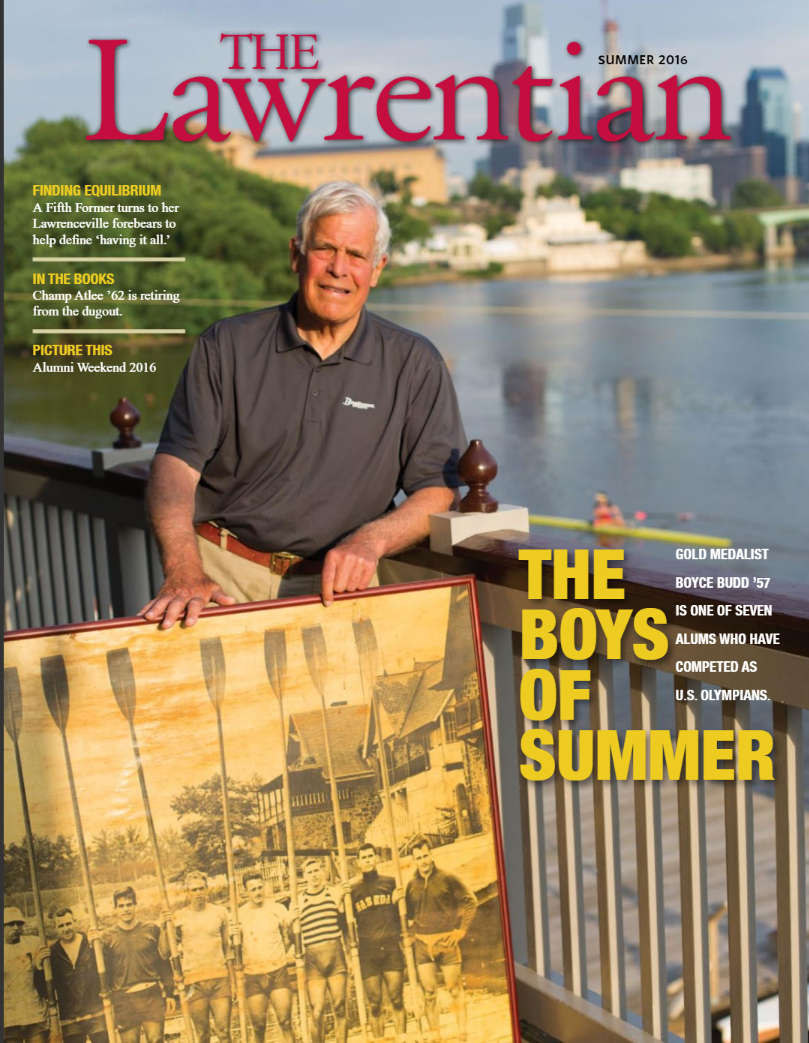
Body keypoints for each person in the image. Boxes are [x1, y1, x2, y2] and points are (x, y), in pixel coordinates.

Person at [141, 180, 466, 629]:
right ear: (296, 254)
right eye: (325, 249)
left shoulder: (414, 363)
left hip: (342, 588)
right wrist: (182, 570)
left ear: (377, 268)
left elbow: (437, 489)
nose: (339, 268)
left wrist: (370, 542)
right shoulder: (226, 345)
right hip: (221, 581)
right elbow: (176, 465)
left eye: (356, 255)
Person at [405, 837, 477, 1043]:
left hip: (447, 943)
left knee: (455, 990)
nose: (423, 861)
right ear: (413, 860)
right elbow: (410, 915)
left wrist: (461, 930)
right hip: (422, 945)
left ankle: (462, 1035)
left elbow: (470, 901)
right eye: (418, 858)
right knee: (429, 993)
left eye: (425, 856)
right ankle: (436, 1037)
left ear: (431, 854)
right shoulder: (411, 885)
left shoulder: (447, 878)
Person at [89, 887, 176, 1043]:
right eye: (121, 906)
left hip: (150, 993)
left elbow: (164, 963)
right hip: (124, 998)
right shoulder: (107, 937)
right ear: (115, 909)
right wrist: (92, 947)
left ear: (135, 905)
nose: (126, 909)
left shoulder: (151, 929)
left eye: (129, 904)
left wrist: (169, 992)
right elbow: (100, 970)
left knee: (156, 1040)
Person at [346, 843, 406, 1043]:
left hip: (390, 948)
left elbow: (402, 916)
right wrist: (342, 898)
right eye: (364, 857)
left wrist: (399, 901)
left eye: (371, 856)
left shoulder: (390, 883)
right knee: (374, 1003)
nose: (368, 860)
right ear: (358, 862)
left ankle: (402, 1038)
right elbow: (344, 923)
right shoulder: (353, 890)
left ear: (377, 858)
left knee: (397, 1000)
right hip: (367, 952)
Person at [167, 872, 233, 1043]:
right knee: (202, 1034)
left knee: (224, 1032)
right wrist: (163, 926)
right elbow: (166, 951)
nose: (198, 893)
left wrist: (232, 979)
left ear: (207, 889)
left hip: (219, 980)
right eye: (194, 890)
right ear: (188, 893)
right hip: (193, 984)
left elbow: (228, 948)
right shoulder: (179, 916)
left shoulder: (220, 912)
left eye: (201, 888)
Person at [293, 858, 348, 1043]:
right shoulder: (299, 900)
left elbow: (344, 925)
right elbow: (293, 937)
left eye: (317, 870)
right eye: (310, 872)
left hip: (335, 954)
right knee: (317, 1012)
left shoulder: (333, 894)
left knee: (340, 1006)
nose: (314, 875)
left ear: (323, 872)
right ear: (304, 876)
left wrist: (343, 902)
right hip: (313, 960)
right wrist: (291, 921)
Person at [239, 872, 295, 1043]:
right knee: (258, 1027)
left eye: (259, 887)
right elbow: (232, 948)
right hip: (253, 975)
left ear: (264, 886)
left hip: (277, 972)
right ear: (246, 892)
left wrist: (293, 922)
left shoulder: (277, 908)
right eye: (253, 889)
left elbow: (290, 937)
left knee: (285, 1022)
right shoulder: (239, 914)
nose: (257, 892)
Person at [41, 908, 108, 1043]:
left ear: (74, 922)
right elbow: (45, 988)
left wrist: (96, 947)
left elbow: (106, 968)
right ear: (55, 928)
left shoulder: (88, 942)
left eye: (68, 924)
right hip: (70, 1018)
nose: (66, 929)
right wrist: (39, 966)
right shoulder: (53, 953)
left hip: (96, 1012)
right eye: (61, 926)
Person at [4, 907, 49, 1043]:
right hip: (8, 1018)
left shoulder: (34, 943)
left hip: (34, 1014)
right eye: (11, 924)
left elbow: (41, 974)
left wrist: (40, 963)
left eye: (19, 923)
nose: (16, 928)